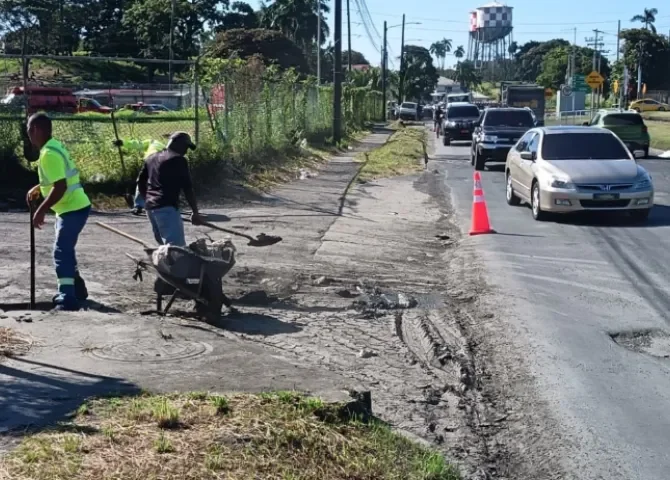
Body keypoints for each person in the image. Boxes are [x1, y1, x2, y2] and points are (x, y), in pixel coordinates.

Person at [25, 113, 91, 311]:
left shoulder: (48, 154)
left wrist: (41, 210)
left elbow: (60, 186)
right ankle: (77, 288)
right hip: (72, 206)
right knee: (66, 249)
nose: (28, 135)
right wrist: (38, 187)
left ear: (36, 130)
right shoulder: (53, 146)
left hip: (72, 207)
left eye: (28, 130)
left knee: (61, 251)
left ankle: (67, 297)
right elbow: (57, 179)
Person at [136, 131, 203, 246]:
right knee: (176, 249)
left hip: (151, 208)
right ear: (178, 144)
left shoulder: (151, 158)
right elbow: (187, 187)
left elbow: (140, 181)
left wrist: (147, 199)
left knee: (164, 248)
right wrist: (195, 212)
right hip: (166, 207)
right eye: (186, 147)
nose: (186, 151)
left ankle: (165, 263)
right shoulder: (178, 160)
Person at [114, 137, 166, 215]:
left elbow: (138, 144)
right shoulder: (165, 147)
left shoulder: (151, 141)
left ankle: (138, 206)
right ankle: (161, 205)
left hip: (151, 160)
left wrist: (123, 143)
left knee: (142, 181)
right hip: (164, 162)